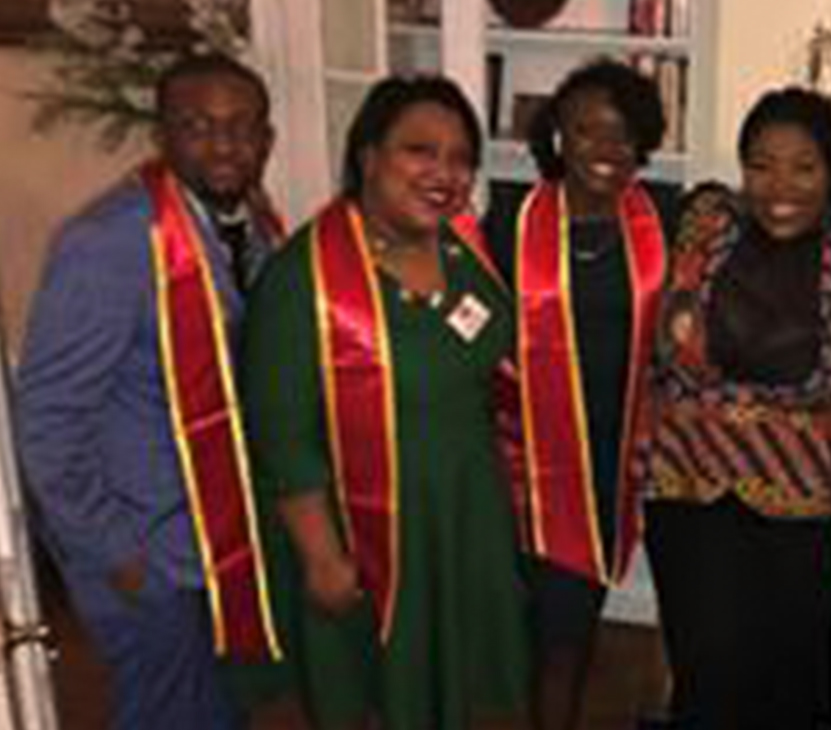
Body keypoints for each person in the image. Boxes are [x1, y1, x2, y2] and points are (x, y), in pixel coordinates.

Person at [239, 75, 527, 730]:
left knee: (455, 688)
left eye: (460, 159)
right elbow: (283, 436)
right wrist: (321, 556)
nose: (443, 173)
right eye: (419, 150)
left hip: (459, 515)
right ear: (369, 157)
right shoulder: (301, 281)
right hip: (363, 534)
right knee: (372, 694)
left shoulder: (461, 255)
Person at [16, 53, 280, 729]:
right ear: (163, 136)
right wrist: (118, 555)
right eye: (198, 126)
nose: (224, 144)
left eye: (242, 126)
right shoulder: (108, 242)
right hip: (146, 551)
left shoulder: (251, 221)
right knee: (163, 713)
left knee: (219, 709)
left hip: (217, 541)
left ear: (266, 138)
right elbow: (46, 420)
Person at [643, 86, 831, 729]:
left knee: (785, 681)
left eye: (804, 166)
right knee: (706, 675)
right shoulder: (702, 229)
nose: (779, 186)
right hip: (690, 499)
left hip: (799, 516)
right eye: (761, 165)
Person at [483, 58, 667, 730]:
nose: (605, 150)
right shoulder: (506, 221)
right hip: (517, 466)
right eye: (586, 131)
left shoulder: (661, 223)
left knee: (569, 632)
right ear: (557, 134)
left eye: (622, 135)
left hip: (605, 462)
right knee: (529, 630)